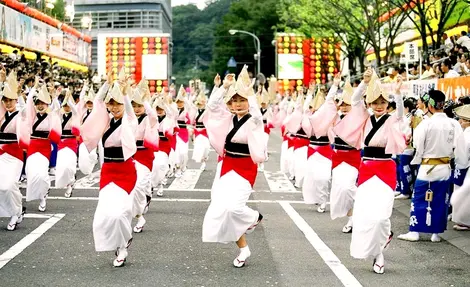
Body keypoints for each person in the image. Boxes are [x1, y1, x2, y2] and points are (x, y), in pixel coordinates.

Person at [334, 69, 406, 274]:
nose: (379, 106)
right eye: (375, 103)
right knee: (364, 215)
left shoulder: (391, 119)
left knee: (381, 217)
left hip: (386, 168)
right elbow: (355, 101)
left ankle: (384, 239)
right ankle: (378, 255)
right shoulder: (364, 118)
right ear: (370, 104)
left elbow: (400, 114)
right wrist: (365, 84)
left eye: (382, 102)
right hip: (366, 169)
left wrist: (398, 93)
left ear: (387, 103)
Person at [202, 67, 265, 268]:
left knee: (234, 208)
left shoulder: (255, 120)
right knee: (221, 210)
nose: (238, 104)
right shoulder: (228, 118)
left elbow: (255, 111)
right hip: (226, 166)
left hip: (245, 168)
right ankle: (243, 249)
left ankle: (254, 217)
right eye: (234, 101)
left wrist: (249, 91)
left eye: (242, 100)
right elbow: (212, 106)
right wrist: (222, 87)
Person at [80, 71, 138, 267]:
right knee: (104, 215)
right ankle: (119, 245)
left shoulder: (130, 121)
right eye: (111, 104)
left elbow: (129, 110)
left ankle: (124, 243)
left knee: (121, 213)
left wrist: (124, 91)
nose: (114, 107)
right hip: (108, 172)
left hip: (126, 172)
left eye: (118, 103)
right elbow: (97, 103)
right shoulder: (104, 122)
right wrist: (107, 83)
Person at [398, 90, 462, 243]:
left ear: (429, 105)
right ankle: (436, 233)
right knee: (440, 199)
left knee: (419, 198)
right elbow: (459, 147)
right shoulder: (453, 123)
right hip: (445, 166)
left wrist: (418, 160)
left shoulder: (425, 124)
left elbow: (418, 147)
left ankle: (415, 232)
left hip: (427, 167)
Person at [313, 76, 362, 231]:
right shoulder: (335, 117)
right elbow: (328, 103)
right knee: (340, 191)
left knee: (348, 188)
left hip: (353, 157)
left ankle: (362, 205)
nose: (344, 107)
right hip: (338, 157)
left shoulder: (358, 118)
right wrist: (334, 86)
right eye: (342, 104)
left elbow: (359, 102)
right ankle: (351, 219)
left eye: (347, 104)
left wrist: (364, 84)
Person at [25, 81, 61, 212]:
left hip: (45, 147)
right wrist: (34, 87)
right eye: (38, 103)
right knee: (31, 174)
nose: (40, 106)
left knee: (41, 175)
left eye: (43, 103)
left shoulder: (51, 115)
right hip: (32, 146)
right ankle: (40, 194)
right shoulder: (32, 115)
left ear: (47, 104)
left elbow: (57, 109)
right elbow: (28, 101)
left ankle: (43, 196)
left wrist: (54, 96)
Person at [130, 79, 158, 232]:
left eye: (139, 106)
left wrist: (145, 99)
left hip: (144, 156)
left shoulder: (149, 118)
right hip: (129, 156)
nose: (136, 108)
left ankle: (146, 195)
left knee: (139, 185)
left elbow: (153, 115)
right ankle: (139, 216)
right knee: (133, 188)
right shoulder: (128, 117)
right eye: (134, 106)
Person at [0, 70, 26, 230]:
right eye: (5, 100)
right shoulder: (1, 115)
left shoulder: (21, 114)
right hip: (1, 154)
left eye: (11, 100)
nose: (8, 103)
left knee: (9, 185)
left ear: (16, 100)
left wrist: (17, 91)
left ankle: (16, 212)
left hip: (15, 154)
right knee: (2, 186)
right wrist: (2, 82)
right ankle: (16, 210)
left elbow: (25, 108)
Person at [55, 90, 79, 198]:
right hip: (61, 143)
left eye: (67, 105)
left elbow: (74, 108)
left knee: (69, 166)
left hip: (71, 142)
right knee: (62, 166)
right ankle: (69, 182)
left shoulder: (75, 114)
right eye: (64, 105)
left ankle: (71, 183)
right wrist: (54, 96)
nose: (66, 107)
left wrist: (69, 100)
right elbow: (54, 107)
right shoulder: (59, 114)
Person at [150, 93, 175, 198]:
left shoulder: (168, 118)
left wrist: (163, 103)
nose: (159, 110)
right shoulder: (153, 118)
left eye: (161, 109)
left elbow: (170, 112)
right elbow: (149, 110)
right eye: (157, 108)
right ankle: (151, 185)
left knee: (161, 166)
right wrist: (153, 100)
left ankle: (160, 185)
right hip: (154, 144)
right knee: (153, 166)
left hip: (164, 145)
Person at [451, 104, 470, 230]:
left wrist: (460, 165)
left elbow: (462, 155)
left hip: (466, 166)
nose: (460, 122)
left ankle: (464, 221)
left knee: (464, 194)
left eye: (461, 120)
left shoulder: (466, 135)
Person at [190, 90, 211, 171]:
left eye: (201, 103)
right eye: (199, 104)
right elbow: (192, 121)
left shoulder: (207, 111)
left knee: (206, 147)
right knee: (199, 147)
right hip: (197, 132)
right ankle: (203, 163)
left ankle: (205, 158)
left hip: (205, 131)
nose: (200, 105)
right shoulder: (195, 111)